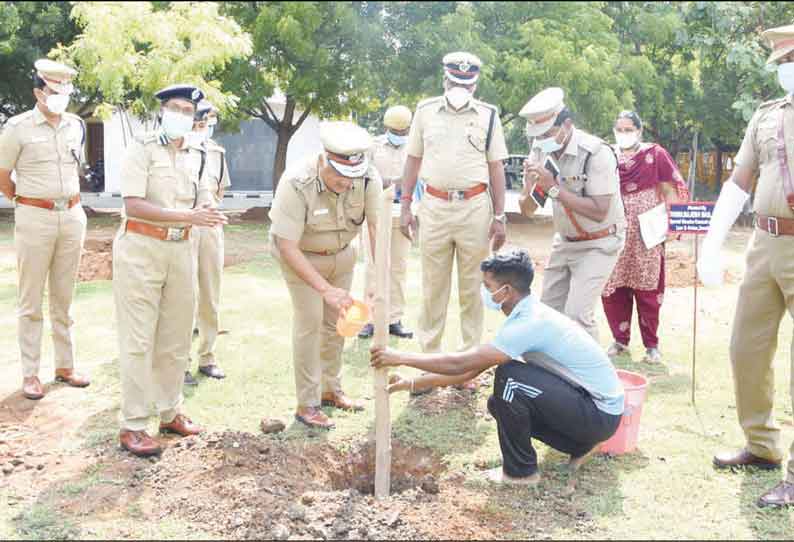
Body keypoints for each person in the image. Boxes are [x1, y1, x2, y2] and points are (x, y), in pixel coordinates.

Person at [371, 249, 624, 484]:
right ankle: (579, 445)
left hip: (599, 413)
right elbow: (470, 370)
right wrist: (412, 383)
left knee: (509, 377)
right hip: (596, 411)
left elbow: (461, 362)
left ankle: (520, 473)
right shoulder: (527, 314)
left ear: (506, 291)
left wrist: (401, 356)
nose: (482, 290)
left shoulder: (528, 323)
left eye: (487, 286)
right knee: (499, 403)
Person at [701, 24, 794, 507]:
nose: (786, 72)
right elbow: (739, 180)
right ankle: (762, 447)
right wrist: (711, 245)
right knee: (746, 348)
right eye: (781, 64)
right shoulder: (767, 116)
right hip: (764, 242)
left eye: (791, 61)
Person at [114, 84, 228, 457]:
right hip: (141, 248)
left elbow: (203, 197)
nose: (182, 115)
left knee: (177, 336)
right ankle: (132, 425)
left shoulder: (199, 153)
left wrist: (208, 212)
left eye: (188, 111)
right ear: (163, 110)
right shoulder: (141, 147)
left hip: (183, 248)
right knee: (139, 340)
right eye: (175, 108)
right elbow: (134, 205)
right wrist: (188, 216)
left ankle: (169, 412)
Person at [399, 52, 509, 389]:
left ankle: (466, 367)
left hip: (475, 207)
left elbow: (496, 168)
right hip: (433, 205)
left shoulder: (489, 116)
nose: (460, 87)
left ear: (475, 85)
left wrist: (501, 216)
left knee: (472, 289)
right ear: (445, 80)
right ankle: (430, 364)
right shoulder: (425, 111)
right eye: (455, 82)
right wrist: (405, 205)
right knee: (433, 287)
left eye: (467, 83)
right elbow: (413, 159)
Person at [269, 120, 383, 430]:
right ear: (324, 160)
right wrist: (324, 289)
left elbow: (376, 229)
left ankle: (331, 389)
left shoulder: (368, 178)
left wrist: (378, 281)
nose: (348, 183)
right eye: (341, 175)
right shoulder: (295, 182)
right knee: (309, 324)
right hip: (302, 259)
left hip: (343, 256)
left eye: (353, 176)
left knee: (337, 325)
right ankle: (307, 403)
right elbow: (286, 246)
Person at [0, 59, 91, 400]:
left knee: (64, 297)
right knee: (30, 299)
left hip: (72, 214)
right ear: (39, 91)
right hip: (34, 216)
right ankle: (30, 373)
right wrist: (29, 201)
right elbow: (3, 177)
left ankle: (65, 366)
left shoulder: (76, 124)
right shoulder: (17, 127)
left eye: (66, 90)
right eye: (55, 90)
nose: (61, 96)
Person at [519, 87, 625, 340]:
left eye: (548, 133)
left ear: (566, 124)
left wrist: (553, 189)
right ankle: (552, 375)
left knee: (577, 314)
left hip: (600, 242)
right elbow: (527, 211)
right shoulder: (539, 151)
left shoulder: (596, 153)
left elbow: (600, 212)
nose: (541, 139)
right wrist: (529, 187)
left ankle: (590, 378)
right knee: (547, 313)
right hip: (565, 242)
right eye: (537, 134)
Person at [601, 111, 689, 363]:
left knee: (648, 289)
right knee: (613, 288)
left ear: (639, 130)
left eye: (629, 129)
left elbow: (671, 188)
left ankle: (652, 345)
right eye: (619, 128)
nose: (624, 133)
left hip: (647, 234)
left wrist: (672, 226)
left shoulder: (655, 154)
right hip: (615, 231)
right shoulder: (607, 155)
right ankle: (619, 341)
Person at [183, 100, 231, 385]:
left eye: (207, 124)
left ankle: (208, 356)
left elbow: (219, 191)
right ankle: (181, 362)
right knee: (183, 296)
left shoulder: (217, 154)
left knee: (211, 294)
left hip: (210, 228)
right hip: (184, 225)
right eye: (200, 124)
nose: (204, 129)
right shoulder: (176, 151)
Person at [358, 105, 414, 340]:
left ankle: (394, 319)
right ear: (386, 127)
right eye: (395, 131)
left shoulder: (414, 148)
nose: (399, 135)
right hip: (376, 212)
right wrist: (391, 182)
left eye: (403, 131)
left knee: (399, 267)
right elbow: (363, 175)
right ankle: (370, 319)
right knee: (374, 266)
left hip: (402, 212)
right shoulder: (373, 146)